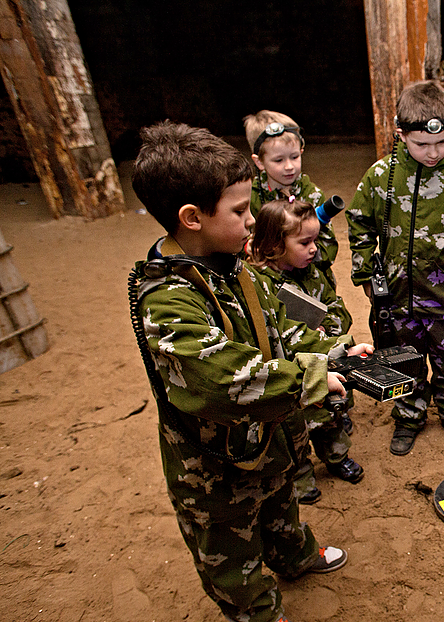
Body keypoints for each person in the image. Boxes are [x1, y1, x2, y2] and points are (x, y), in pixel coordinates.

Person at [130, 121, 372, 622]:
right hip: (213, 466)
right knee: (232, 552)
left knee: (281, 504)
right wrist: (309, 379)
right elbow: (220, 379)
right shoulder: (168, 300)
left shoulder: (235, 267)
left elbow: (283, 329)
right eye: (239, 211)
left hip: (267, 439)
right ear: (192, 217)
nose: (249, 221)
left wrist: (335, 354)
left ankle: (294, 556)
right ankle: (257, 611)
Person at [347, 80, 444, 455]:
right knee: (405, 364)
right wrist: (367, 275)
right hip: (398, 302)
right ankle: (409, 415)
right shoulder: (381, 177)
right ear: (400, 134)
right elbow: (359, 223)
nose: (432, 153)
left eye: (442, 142)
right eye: (421, 145)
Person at [247, 197, 363, 505]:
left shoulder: (313, 272)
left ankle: (338, 458)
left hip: (324, 360)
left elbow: (335, 306)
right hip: (292, 374)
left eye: (315, 239)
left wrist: (332, 330)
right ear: (273, 244)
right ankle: (300, 476)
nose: (314, 248)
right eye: (304, 242)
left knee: (330, 417)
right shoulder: (261, 284)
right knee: (291, 430)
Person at [243, 110, 339, 286]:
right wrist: (248, 249)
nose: (289, 166)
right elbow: (239, 239)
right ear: (259, 162)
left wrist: (301, 253)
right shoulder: (250, 198)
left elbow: (328, 248)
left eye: (294, 157)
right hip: (267, 285)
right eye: (278, 160)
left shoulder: (312, 195)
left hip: (312, 284)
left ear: (302, 151)